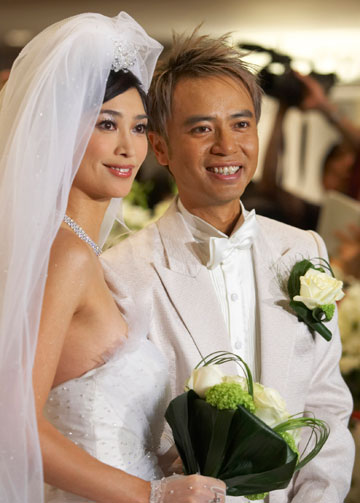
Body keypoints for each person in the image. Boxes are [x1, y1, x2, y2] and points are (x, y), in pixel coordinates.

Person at [102, 31, 355, 502]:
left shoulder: (304, 250)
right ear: (160, 148)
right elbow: (127, 430)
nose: (226, 146)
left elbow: (326, 406)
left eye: (241, 125)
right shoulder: (122, 272)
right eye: (202, 129)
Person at [0, 13, 226, 503]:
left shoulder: (79, 248)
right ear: (61, 133)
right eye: (107, 124)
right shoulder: (66, 255)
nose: (129, 147)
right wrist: (154, 494)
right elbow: (13, 426)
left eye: (140, 127)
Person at [242, 71, 360, 230]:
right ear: (324, 180)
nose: (347, 165)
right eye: (336, 169)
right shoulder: (317, 214)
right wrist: (282, 112)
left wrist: (323, 105)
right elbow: (269, 184)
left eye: (352, 166)